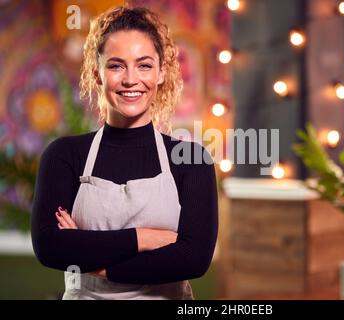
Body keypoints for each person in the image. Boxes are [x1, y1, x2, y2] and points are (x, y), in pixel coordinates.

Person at [31, 5, 218, 300]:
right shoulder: (64, 155)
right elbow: (50, 248)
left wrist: (100, 265)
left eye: (144, 65)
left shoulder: (192, 160)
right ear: (98, 74)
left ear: (161, 73)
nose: (131, 79)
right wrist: (147, 238)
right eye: (116, 65)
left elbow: (194, 258)